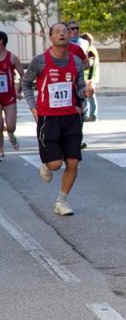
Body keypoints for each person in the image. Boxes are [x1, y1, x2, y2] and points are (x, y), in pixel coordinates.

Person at [22, 22, 94, 216]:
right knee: (55, 165)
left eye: (65, 31)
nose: (62, 34)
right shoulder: (41, 61)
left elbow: (78, 88)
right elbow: (26, 83)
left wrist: (86, 91)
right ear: (51, 38)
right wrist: (33, 106)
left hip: (70, 117)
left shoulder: (76, 62)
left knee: (72, 162)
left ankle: (61, 201)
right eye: (58, 32)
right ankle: (46, 163)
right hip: (48, 117)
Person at [0, 30, 25, 160]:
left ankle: (11, 134)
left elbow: (23, 75)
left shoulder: (12, 58)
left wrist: (18, 90)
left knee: (11, 126)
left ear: (1, 41)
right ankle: (1, 149)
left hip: (9, 95)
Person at [81, 32, 100, 121]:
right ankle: (91, 115)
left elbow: (90, 63)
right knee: (89, 96)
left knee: (89, 96)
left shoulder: (90, 50)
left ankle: (90, 115)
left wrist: (89, 79)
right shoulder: (91, 49)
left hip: (88, 78)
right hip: (90, 77)